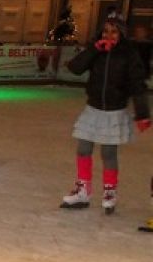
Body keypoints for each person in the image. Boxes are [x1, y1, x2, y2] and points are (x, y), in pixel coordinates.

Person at [60, 16, 150, 213]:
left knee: (108, 153)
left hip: (114, 111)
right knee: (83, 149)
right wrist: (94, 49)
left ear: (122, 34)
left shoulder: (129, 55)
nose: (109, 35)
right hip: (93, 108)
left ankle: (110, 192)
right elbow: (75, 68)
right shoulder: (96, 51)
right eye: (105, 31)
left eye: (114, 32)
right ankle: (83, 190)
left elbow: (137, 84)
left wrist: (142, 113)